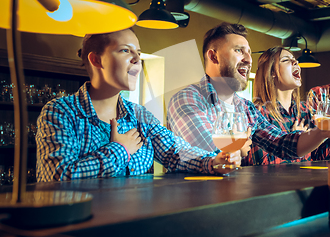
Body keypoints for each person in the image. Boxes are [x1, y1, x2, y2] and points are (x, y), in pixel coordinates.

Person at [36, 28, 239, 182]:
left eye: (139, 53)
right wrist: (119, 150)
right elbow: (57, 176)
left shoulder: (140, 115)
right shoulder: (60, 112)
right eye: (126, 50)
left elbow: (175, 152)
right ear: (96, 60)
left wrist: (213, 161)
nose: (137, 59)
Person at [167, 23, 330, 163]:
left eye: (249, 52)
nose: (248, 59)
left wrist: (322, 132)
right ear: (214, 57)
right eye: (239, 50)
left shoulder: (245, 108)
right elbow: (210, 154)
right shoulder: (188, 98)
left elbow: (283, 143)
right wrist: (238, 149)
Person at [247, 46, 330, 165]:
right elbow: (261, 165)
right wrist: (296, 138)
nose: (296, 62)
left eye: (294, 59)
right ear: (272, 72)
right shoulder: (258, 112)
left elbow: (320, 157)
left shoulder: (305, 110)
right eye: (286, 60)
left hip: (305, 182)